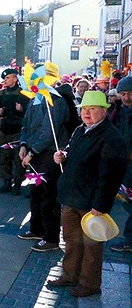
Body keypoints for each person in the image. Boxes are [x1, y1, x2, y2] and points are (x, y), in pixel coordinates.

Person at [49, 91, 126, 297]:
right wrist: (63, 155)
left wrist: (101, 205)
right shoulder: (80, 130)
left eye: (92, 109)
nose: (87, 113)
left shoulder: (111, 137)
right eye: (84, 109)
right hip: (71, 197)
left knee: (92, 247)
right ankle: (69, 275)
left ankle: (90, 284)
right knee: (71, 241)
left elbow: (110, 175)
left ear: (104, 111)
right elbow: (72, 151)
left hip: (91, 202)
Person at [18, 63, 70, 252]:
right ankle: (37, 228)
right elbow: (26, 125)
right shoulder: (34, 99)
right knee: (35, 192)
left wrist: (33, 152)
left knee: (49, 196)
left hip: (48, 155)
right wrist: (23, 144)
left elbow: (49, 132)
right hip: (33, 154)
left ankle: (51, 237)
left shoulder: (55, 100)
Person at [0, 68, 29, 194]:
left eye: (8, 77)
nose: (6, 80)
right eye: (5, 78)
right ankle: (6, 182)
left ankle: (18, 184)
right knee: (4, 157)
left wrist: (22, 109)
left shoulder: (23, 93)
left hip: (18, 129)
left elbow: (29, 113)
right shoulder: (2, 94)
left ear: (15, 78)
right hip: (5, 128)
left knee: (17, 158)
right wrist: (0, 112)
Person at [109, 76, 132, 252]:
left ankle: (129, 240)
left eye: (130, 93)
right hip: (123, 164)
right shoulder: (120, 111)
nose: (126, 97)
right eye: (123, 94)